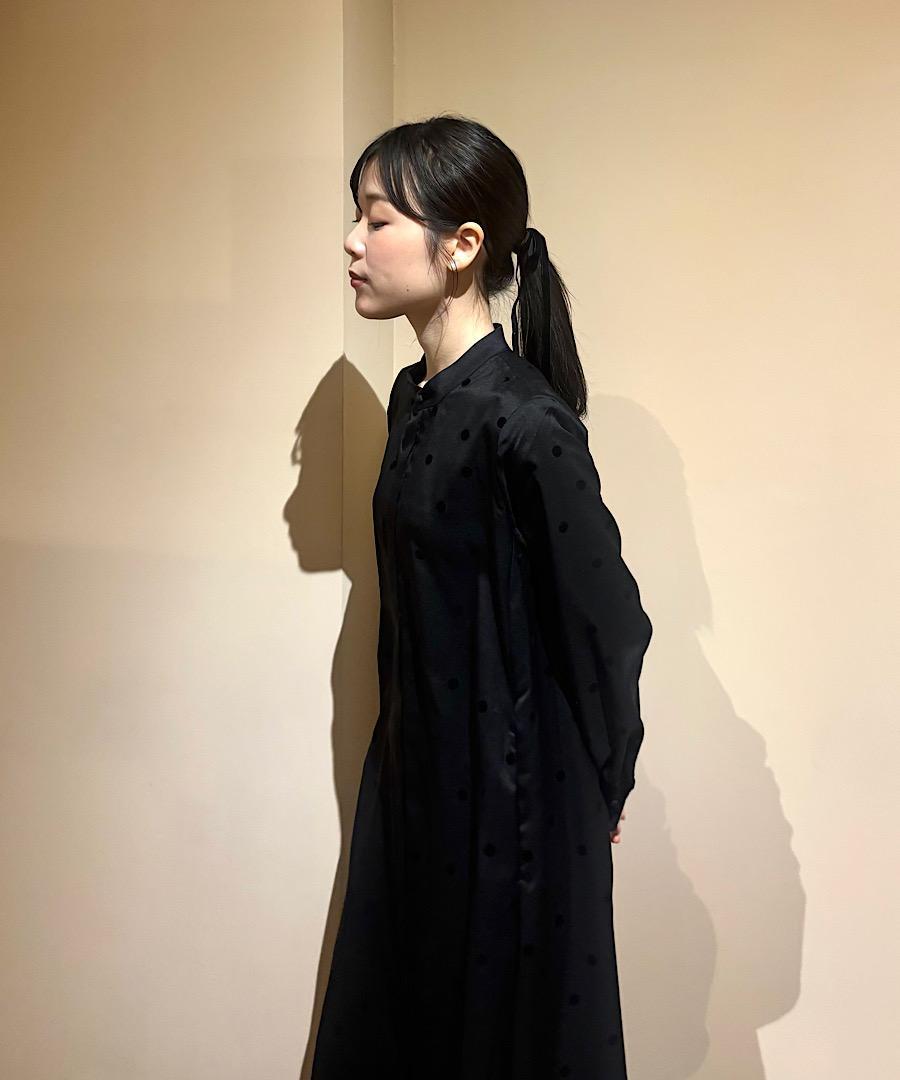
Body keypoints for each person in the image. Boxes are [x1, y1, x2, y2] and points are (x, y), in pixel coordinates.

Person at [312, 114, 653, 1080]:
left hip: (518, 814)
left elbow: (608, 619)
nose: (353, 242)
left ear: (461, 246)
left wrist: (608, 776)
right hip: (421, 784)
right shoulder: (414, 401)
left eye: (377, 219)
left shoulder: (524, 420)